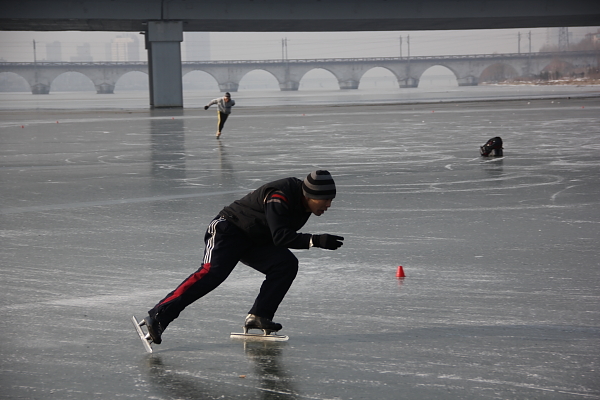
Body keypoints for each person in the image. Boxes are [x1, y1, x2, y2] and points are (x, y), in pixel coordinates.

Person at [143, 170, 344, 345]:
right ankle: (159, 315)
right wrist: (315, 240)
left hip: (254, 239)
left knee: (285, 264)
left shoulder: (305, 204)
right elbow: (281, 236)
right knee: (211, 273)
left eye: (331, 200)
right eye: (326, 199)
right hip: (228, 230)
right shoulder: (280, 195)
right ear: (310, 194)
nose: (328, 204)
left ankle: (259, 315)